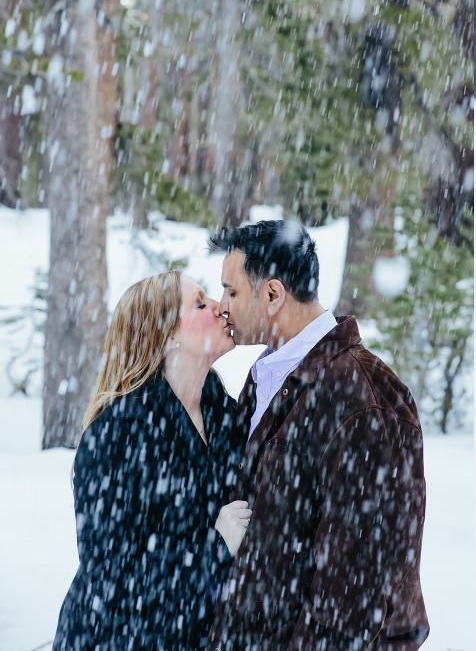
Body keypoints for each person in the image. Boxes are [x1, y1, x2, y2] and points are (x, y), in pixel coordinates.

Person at [204, 220, 428, 650]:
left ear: (272, 295)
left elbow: (357, 590)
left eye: (231, 291)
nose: (221, 305)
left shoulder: (361, 397)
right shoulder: (269, 377)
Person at [53, 271, 252, 650]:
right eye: (200, 303)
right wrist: (214, 547)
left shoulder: (226, 414)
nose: (220, 307)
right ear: (167, 337)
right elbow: (110, 572)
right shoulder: (119, 432)